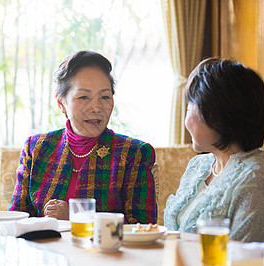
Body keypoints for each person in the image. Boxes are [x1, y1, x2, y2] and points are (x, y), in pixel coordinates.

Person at [10, 50, 156, 224]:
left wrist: (76, 216)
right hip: (43, 250)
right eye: (84, 97)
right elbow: (17, 218)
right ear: (61, 103)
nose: (96, 107)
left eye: (104, 97)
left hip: (105, 251)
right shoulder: (38, 147)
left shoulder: (133, 153)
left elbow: (142, 226)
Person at [164, 58, 264, 242]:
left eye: (189, 109)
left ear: (217, 116)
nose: (186, 122)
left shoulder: (256, 179)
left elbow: (242, 259)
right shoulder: (199, 165)